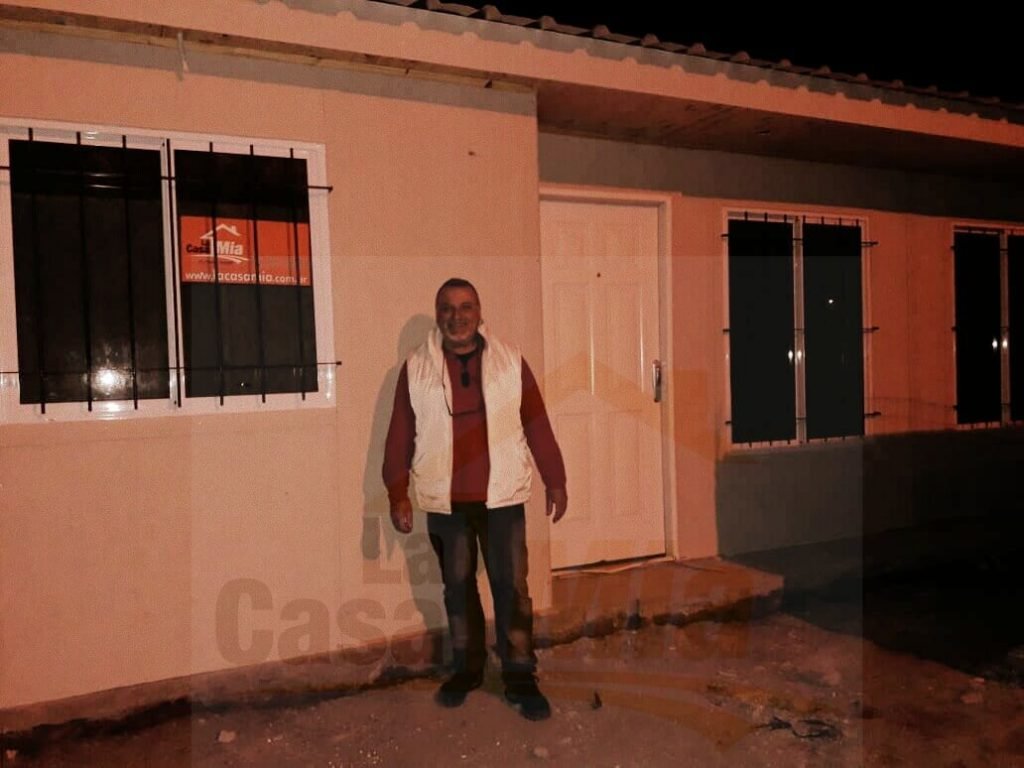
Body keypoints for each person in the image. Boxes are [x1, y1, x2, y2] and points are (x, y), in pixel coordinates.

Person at [382, 277, 568, 721]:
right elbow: (399, 433)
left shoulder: (510, 361)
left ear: (480, 313)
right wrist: (397, 492)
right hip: (445, 502)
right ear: (438, 315)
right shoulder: (415, 368)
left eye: (466, 307)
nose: (457, 316)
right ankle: (467, 668)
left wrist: (555, 478)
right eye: (447, 308)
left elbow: (536, 422)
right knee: (458, 589)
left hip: (502, 497)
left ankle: (520, 675)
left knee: (512, 588)